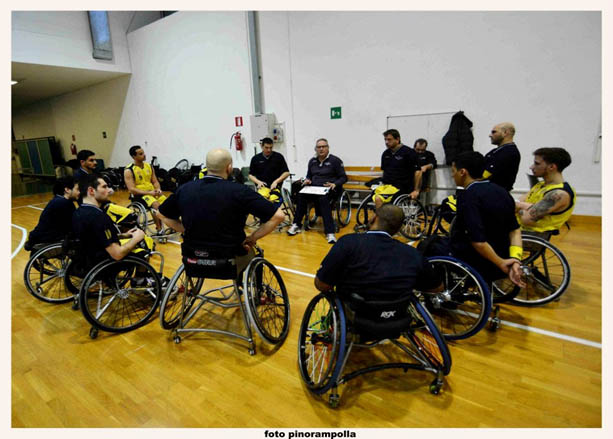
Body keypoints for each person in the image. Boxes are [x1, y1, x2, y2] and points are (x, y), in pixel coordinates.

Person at [158, 148, 285, 277]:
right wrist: (252, 238)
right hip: (229, 260)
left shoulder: (184, 189)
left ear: (207, 166)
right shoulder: (240, 191)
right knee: (255, 253)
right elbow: (278, 216)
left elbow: (161, 214)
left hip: (192, 258)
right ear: (229, 167)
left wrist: (184, 229)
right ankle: (257, 293)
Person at [422, 151, 524, 287]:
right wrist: (515, 259)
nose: (452, 175)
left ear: (463, 172)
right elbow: (515, 231)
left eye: (453, 171)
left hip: (481, 260)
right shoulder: (502, 192)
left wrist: (500, 263)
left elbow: (479, 242)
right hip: (504, 254)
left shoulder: (468, 197)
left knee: (427, 245)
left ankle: (438, 289)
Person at [314, 204, 441, 298]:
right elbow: (437, 288)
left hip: (357, 314)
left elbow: (323, 285)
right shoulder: (413, 254)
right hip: (396, 318)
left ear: (374, 218)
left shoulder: (347, 243)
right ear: (397, 230)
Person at [72, 174, 149, 269]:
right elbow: (117, 254)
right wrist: (136, 238)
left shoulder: (78, 212)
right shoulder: (99, 217)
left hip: (85, 260)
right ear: (91, 191)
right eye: (104, 187)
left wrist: (123, 235)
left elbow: (95, 239)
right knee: (143, 251)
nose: (109, 190)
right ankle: (140, 280)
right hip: (103, 264)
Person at [287, 138, 347, 243]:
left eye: (324, 146)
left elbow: (343, 178)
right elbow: (309, 175)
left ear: (328, 148)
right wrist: (307, 180)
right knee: (300, 195)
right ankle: (296, 224)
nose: (321, 149)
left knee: (323, 199)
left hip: (329, 189)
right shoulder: (312, 161)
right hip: (313, 189)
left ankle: (330, 232)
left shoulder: (335, 161)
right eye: (319, 147)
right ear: (316, 149)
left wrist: (334, 184)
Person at [515, 147, 575, 234]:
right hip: (515, 227)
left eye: (537, 163)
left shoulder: (560, 194)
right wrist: (527, 206)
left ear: (551, 167)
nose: (531, 167)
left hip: (529, 234)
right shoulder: (541, 184)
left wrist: (520, 206)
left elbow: (526, 219)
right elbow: (517, 202)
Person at [24, 176, 80, 251]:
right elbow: (73, 225)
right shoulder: (63, 203)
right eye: (77, 189)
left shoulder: (58, 200)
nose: (79, 192)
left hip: (38, 237)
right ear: (67, 189)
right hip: (48, 239)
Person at [124, 145, 167, 234]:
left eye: (143, 153)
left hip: (152, 192)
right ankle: (159, 229)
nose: (144, 155)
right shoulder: (129, 170)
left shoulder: (149, 166)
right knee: (156, 205)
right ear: (134, 157)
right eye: (141, 154)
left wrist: (158, 189)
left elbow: (155, 181)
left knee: (169, 202)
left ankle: (175, 225)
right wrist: (149, 193)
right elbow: (132, 189)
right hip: (140, 196)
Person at [375, 129, 422, 208]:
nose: (386, 142)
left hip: (402, 187)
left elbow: (418, 172)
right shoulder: (385, 154)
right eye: (385, 140)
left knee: (378, 199)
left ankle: (380, 218)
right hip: (388, 185)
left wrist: (416, 190)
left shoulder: (409, 152)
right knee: (374, 193)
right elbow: (385, 171)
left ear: (397, 139)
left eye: (389, 139)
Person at [483, 122, 521, 191]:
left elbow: (486, 175)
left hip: (495, 194)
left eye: (494, 132)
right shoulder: (496, 151)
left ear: (505, 133)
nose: (490, 135)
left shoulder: (509, 153)